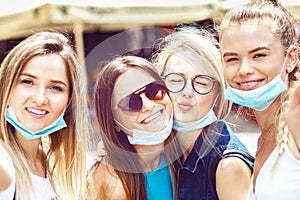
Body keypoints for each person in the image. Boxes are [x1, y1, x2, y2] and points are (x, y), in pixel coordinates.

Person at [152, 27, 254, 200]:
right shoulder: (163, 147)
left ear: (217, 94)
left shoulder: (228, 166)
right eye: (175, 80)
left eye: (201, 83)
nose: (187, 92)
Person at [218, 0, 300, 196]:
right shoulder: (263, 138)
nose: (244, 70)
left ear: (290, 58)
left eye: (259, 55)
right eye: (232, 59)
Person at [0, 31, 90, 199]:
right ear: (6, 85)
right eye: (28, 82)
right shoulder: (3, 162)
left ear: (69, 101)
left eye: (55, 88)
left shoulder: (62, 163)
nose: (40, 99)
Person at [87, 56, 178, 200]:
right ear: (114, 122)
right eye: (131, 103)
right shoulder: (112, 182)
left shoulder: (180, 157)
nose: (149, 105)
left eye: (154, 90)